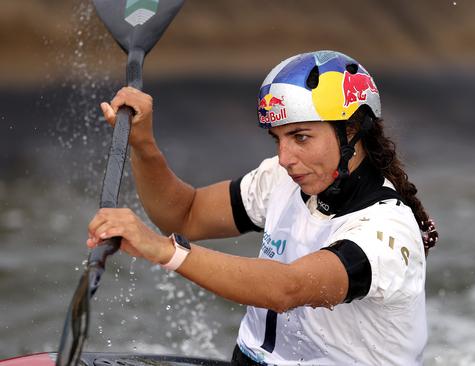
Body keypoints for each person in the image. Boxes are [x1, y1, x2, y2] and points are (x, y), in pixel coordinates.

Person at [86, 50, 438, 365]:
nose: (285, 159)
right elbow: (185, 214)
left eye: (301, 137)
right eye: (278, 139)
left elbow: (288, 289)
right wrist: (144, 144)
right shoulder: (281, 179)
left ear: (350, 133)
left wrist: (164, 251)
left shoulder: (387, 231)